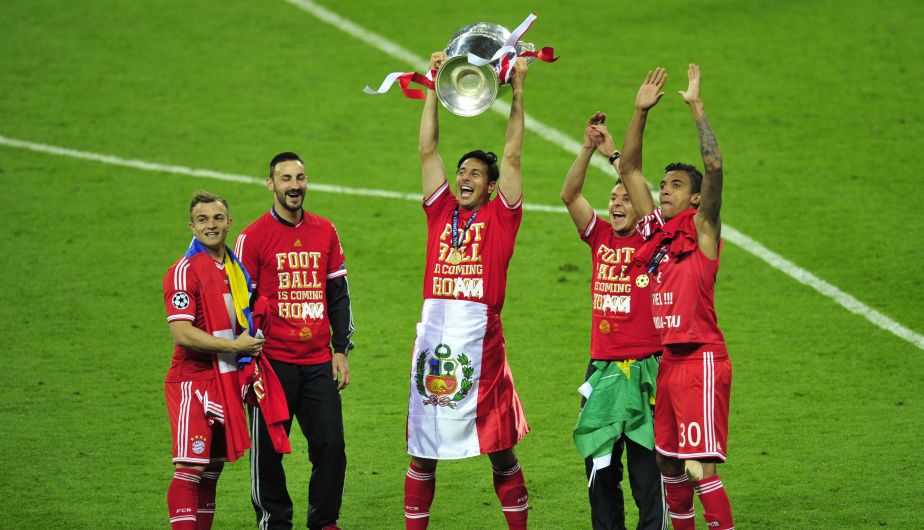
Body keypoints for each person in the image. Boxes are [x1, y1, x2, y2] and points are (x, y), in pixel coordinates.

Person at [591, 65, 734, 530]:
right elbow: (629, 167)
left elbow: (713, 167)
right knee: (670, 467)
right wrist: (639, 112)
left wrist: (696, 109)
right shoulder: (656, 232)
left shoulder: (704, 231)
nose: (665, 190)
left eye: (675, 186)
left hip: (701, 362)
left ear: (695, 201)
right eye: (665, 184)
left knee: (702, 470)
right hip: (668, 364)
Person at [403, 52, 530, 530]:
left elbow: (513, 154)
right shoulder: (440, 214)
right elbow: (426, 151)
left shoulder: (502, 217)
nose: (463, 178)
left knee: (498, 447)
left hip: (481, 339)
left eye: (475, 174)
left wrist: (518, 91)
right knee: (422, 447)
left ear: (493, 186)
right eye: (463, 172)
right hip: (434, 339)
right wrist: (435, 86)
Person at [234, 152, 354, 530]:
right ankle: (274, 520)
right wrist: (246, 358)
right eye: (285, 178)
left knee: (331, 446)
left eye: (300, 177)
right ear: (271, 184)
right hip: (272, 365)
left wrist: (340, 349)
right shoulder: (252, 237)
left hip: (318, 361)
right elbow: (239, 303)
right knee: (268, 453)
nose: (294, 186)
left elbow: (338, 294)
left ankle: (324, 521)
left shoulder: (325, 230)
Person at [561, 113, 667, 530]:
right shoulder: (599, 235)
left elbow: (643, 197)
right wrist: (587, 149)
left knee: (646, 472)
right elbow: (570, 195)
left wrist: (617, 158)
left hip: (645, 369)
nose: (617, 203)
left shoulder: (653, 239)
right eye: (613, 198)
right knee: (600, 471)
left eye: (625, 198)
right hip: (602, 371)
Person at [163, 191, 265, 529]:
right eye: (203, 220)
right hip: (193, 381)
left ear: (229, 223)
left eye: (218, 218)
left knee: (211, 469)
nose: (211, 225)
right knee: (190, 468)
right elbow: (182, 333)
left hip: (226, 379)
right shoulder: (183, 272)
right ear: (191, 226)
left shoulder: (236, 272)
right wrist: (236, 348)